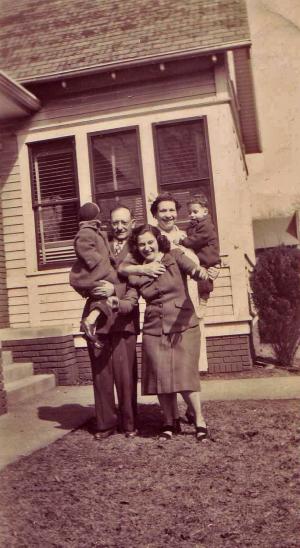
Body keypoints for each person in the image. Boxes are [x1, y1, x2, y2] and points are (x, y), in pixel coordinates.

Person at [127, 224, 209, 441]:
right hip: (154, 327)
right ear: (136, 247)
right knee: (161, 377)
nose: (146, 247)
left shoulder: (174, 256)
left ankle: (199, 420)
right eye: (141, 244)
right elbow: (129, 289)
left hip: (183, 324)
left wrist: (199, 272)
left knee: (184, 374)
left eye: (150, 242)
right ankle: (169, 422)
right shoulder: (137, 270)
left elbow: (192, 268)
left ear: (158, 240)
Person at [81, 205, 140, 439]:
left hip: (124, 319)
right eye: (115, 222)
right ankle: (105, 424)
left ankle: (129, 424)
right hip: (98, 317)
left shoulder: (139, 248)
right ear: (109, 224)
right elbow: (84, 274)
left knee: (126, 376)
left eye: (124, 222)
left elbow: (138, 283)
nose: (119, 227)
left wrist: (114, 288)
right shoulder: (99, 244)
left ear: (132, 223)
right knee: (101, 374)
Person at [69, 202, 118, 347]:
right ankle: (89, 321)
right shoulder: (86, 232)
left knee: (99, 296)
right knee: (111, 290)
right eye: (99, 213)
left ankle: (88, 328)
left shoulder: (95, 231)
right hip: (94, 273)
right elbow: (83, 247)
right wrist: (97, 261)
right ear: (95, 216)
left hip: (98, 271)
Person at [179, 192, 221, 317]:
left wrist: (183, 241)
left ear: (205, 211)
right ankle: (201, 299)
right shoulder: (195, 225)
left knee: (204, 281)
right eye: (190, 212)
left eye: (195, 212)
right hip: (202, 258)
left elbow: (197, 239)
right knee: (202, 280)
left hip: (208, 259)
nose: (191, 215)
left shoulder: (206, 225)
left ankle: (204, 300)